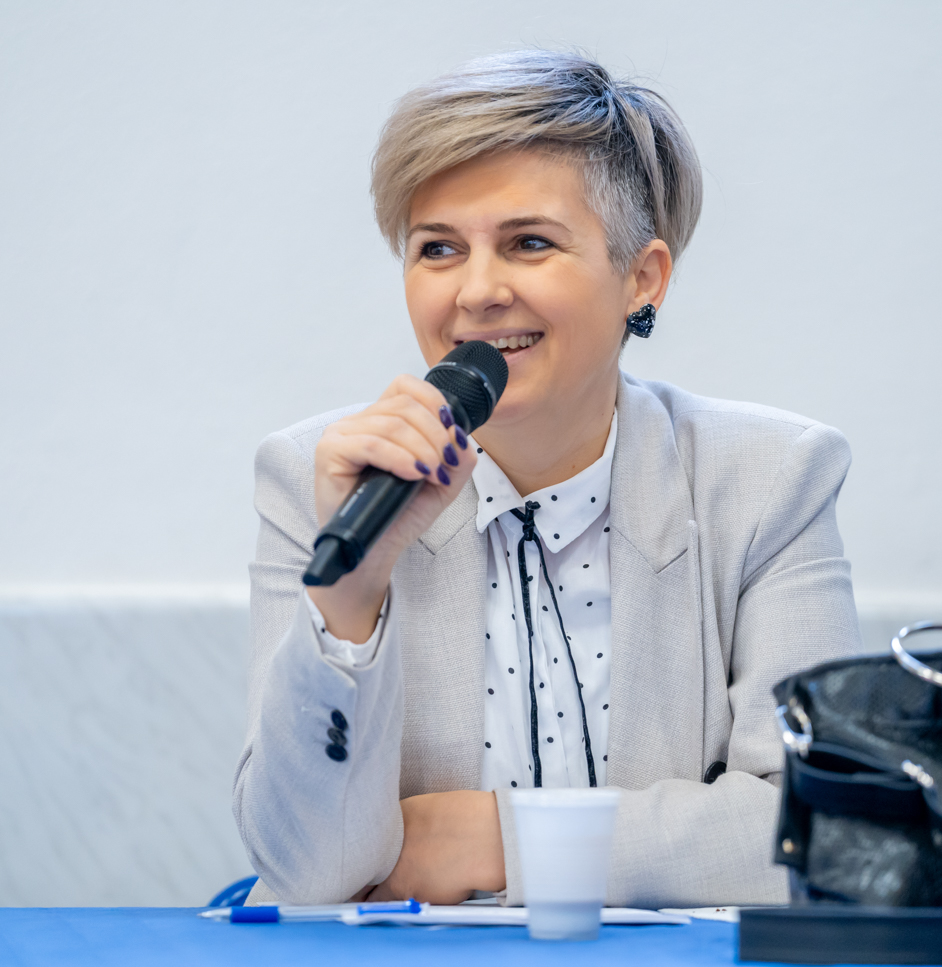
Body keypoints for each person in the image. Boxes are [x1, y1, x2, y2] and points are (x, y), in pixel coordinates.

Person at [234, 49, 860, 909]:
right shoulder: (326, 479)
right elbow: (304, 872)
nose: (477, 292)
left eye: (529, 243)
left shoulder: (767, 480)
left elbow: (825, 836)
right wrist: (350, 596)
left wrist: (503, 839)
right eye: (438, 248)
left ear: (642, 278)